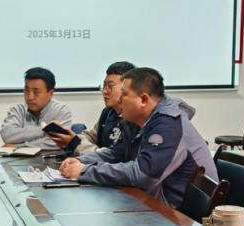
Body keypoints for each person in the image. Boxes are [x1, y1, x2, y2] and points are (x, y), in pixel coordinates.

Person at [59, 67, 216, 208]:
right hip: (153, 200)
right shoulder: (137, 120)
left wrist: (85, 171)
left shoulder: (168, 124)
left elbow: (144, 174)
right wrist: (81, 161)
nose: (119, 100)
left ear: (144, 99)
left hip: (182, 215)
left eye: (124, 94)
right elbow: (116, 153)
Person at [50, 60, 136, 155]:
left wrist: (75, 143)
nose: (105, 91)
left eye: (110, 86)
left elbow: (113, 157)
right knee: (77, 129)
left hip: (109, 162)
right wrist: (70, 138)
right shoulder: (108, 113)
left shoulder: (134, 119)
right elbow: (91, 136)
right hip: (99, 160)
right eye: (104, 86)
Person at [0, 67, 73, 150]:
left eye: (36, 92)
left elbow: (57, 143)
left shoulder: (61, 110)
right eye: (27, 91)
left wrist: (19, 146)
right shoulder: (18, 110)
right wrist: (44, 130)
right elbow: (7, 135)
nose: (30, 97)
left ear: (51, 93)